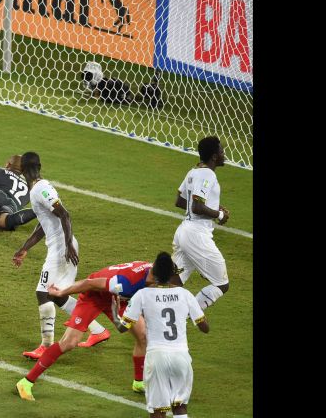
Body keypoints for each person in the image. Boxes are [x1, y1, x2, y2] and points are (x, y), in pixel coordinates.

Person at [15, 254, 173, 401]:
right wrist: (62, 292)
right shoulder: (125, 282)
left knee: (143, 336)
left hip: (119, 300)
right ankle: (26, 382)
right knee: (69, 342)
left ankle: (139, 383)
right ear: (157, 278)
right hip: (94, 296)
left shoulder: (153, 272)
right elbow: (89, 283)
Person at [12, 152, 110, 361]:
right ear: (40, 165)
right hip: (61, 245)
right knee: (58, 294)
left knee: (43, 293)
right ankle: (98, 331)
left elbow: (64, 214)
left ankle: (46, 346)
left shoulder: (40, 189)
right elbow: (44, 224)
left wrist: (67, 245)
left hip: (61, 248)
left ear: (21, 170)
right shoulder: (38, 189)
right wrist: (25, 247)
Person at [115, 252, 210, 418]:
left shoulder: (142, 295)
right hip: (181, 356)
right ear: (174, 273)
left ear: (154, 272)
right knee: (180, 407)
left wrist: (116, 314)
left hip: (156, 356)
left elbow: (123, 328)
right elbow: (205, 328)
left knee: (158, 411)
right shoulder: (185, 294)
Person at [172, 136, 230, 311]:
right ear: (214, 156)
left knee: (173, 282)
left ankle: (157, 316)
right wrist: (219, 214)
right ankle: (188, 314)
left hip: (184, 231)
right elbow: (197, 207)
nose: (223, 154)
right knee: (221, 284)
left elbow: (180, 201)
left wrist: (211, 206)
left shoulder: (194, 171)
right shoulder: (207, 174)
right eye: (221, 151)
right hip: (197, 235)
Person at [81, 62, 163, 109]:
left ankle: (154, 95)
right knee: (142, 91)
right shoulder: (105, 85)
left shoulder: (108, 91)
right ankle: (153, 89)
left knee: (142, 92)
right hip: (118, 91)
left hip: (120, 92)